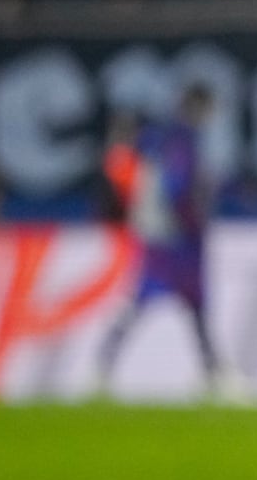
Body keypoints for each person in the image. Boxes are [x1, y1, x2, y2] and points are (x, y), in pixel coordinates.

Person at [94, 84, 235, 398]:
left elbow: (129, 156)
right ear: (200, 108)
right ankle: (103, 363)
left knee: (186, 307)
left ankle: (212, 371)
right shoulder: (182, 139)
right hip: (175, 239)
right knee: (170, 303)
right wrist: (191, 219)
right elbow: (178, 186)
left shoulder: (165, 136)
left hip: (163, 235)